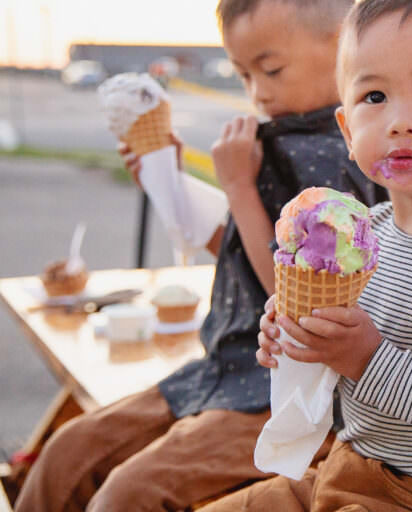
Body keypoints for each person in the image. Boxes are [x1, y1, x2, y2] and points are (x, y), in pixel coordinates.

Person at [15, 1, 387, 511]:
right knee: (66, 454)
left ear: (345, 42)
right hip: (220, 370)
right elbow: (242, 255)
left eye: (272, 69)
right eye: (243, 74)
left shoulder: (336, 155)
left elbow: (296, 297)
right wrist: (167, 181)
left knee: (128, 495)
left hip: (279, 393)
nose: (259, 91)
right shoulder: (275, 140)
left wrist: (238, 186)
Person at [198, 1, 412, 511]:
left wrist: (367, 358)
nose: (400, 121)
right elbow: (335, 359)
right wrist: (294, 341)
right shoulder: (368, 235)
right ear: (347, 131)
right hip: (348, 463)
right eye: (375, 96)